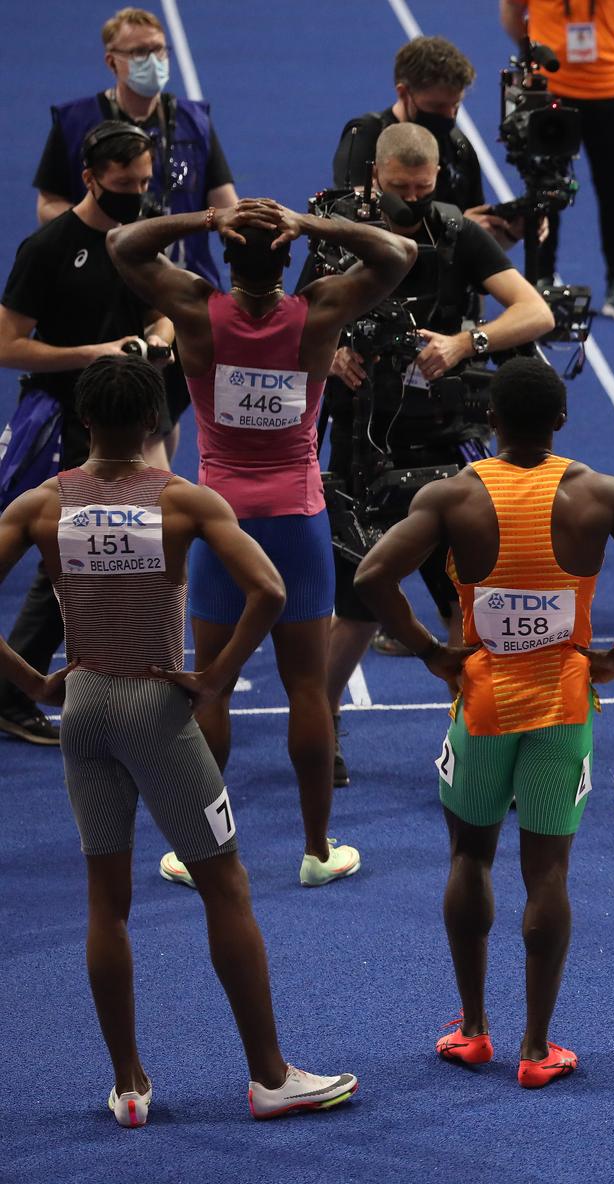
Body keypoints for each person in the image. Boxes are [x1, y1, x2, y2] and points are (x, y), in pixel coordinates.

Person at [0, 355, 358, 1124]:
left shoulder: (39, 507)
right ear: (159, 425)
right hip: (159, 709)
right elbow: (270, 590)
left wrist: (33, 684)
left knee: (108, 901)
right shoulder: (184, 502)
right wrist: (217, 677)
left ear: (83, 422)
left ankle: (129, 1085)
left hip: (86, 705)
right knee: (225, 885)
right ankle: (269, 1077)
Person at [353, 355, 614, 1087]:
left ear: (492, 422)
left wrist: (428, 652)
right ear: (562, 422)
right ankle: (538, 1050)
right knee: (547, 873)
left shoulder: (455, 497)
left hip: (480, 705)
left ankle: (474, 1029)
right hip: (563, 705)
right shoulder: (598, 494)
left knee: (469, 858)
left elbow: (370, 575)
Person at [108, 198, 416, 887]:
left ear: (226, 254)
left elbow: (124, 245)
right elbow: (399, 254)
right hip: (298, 519)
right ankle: (315, 850)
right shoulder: (320, 312)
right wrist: (317, 225)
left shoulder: (195, 311)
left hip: (220, 520)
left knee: (211, 688)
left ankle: (200, 849)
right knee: (308, 686)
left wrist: (200, 221)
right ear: (287, 256)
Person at [322, 122, 555, 786]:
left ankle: (477, 725)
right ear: (375, 175)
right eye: (399, 189)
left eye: (423, 189)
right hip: (361, 442)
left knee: (466, 594)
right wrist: (328, 345)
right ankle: (324, 714)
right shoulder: (335, 227)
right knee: (357, 604)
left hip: (441, 439)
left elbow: (534, 312)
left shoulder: (454, 230)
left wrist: (466, 342)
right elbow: (289, 313)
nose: (411, 201)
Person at [0, 121, 174, 746]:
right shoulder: (46, 249)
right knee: (61, 557)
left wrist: (158, 339)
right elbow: (8, 346)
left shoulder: (141, 240)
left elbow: (162, 310)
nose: (137, 193)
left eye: (146, 182)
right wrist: (95, 353)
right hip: (61, 419)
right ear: (91, 178)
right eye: (124, 184)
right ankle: (15, 691)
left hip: (126, 414)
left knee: (85, 555)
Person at [34, 6, 242, 463]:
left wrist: (248, 242)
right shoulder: (74, 123)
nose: (154, 60)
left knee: (167, 412)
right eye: (140, 52)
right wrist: (95, 229)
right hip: (111, 294)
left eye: (159, 50)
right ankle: (146, 506)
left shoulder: (194, 121)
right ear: (113, 61)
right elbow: (47, 203)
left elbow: (224, 199)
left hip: (183, 293)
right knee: (130, 420)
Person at [500, 0, 614, 319]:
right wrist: (537, 53)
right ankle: (541, 277)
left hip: (608, 89)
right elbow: (512, 12)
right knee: (544, 190)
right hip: (549, 92)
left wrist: (608, 49)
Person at [330, 34, 522, 247]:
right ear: (403, 93)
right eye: (437, 107)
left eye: (456, 106)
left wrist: (507, 234)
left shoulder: (459, 147)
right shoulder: (366, 136)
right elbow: (353, 218)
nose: (449, 115)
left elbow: (474, 249)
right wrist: (455, 225)